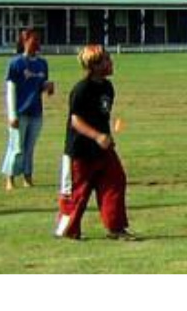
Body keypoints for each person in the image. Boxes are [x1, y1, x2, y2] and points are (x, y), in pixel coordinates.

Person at [54, 45, 135, 240]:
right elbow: (76, 120)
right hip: (80, 151)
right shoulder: (81, 89)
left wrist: (106, 137)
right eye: (106, 60)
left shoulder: (108, 87)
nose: (111, 63)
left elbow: (101, 116)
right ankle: (67, 230)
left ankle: (116, 227)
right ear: (95, 65)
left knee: (115, 180)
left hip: (102, 150)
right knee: (77, 194)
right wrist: (97, 136)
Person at [0, 28, 54, 191]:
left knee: (29, 148)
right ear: (25, 41)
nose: (37, 43)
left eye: (38, 39)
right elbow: (11, 90)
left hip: (36, 111)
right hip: (20, 112)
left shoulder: (42, 64)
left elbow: (40, 87)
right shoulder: (16, 63)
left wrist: (48, 87)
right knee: (16, 147)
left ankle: (27, 177)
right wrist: (12, 115)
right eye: (34, 39)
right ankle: (10, 178)